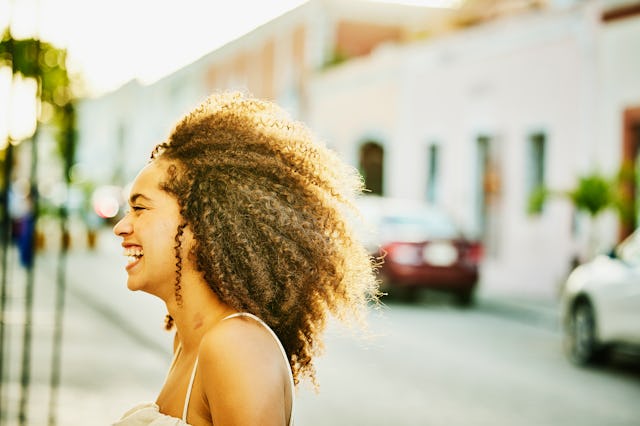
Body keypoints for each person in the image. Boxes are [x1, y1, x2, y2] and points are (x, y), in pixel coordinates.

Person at [112, 91, 380, 426]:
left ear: (202, 221)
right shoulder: (190, 341)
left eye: (139, 208)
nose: (121, 227)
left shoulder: (236, 346)